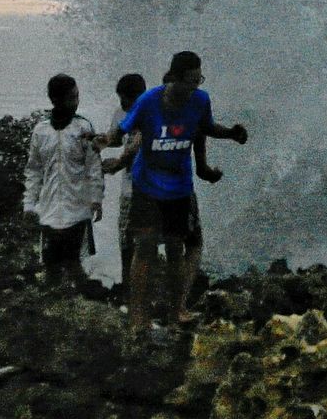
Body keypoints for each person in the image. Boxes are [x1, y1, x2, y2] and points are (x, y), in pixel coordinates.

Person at [92, 50, 247, 331]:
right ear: (173, 78)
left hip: (179, 187)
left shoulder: (200, 99)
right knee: (145, 248)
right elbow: (123, 131)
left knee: (176, 249)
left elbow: (206, 127)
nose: (194, 87)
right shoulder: (149, 101)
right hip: (148, 185)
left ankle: (178, 312)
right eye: (189, 81)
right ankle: (139, 318)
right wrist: (105, 141)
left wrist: (231, 134)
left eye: (198, 80)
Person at [22, 74, 104, 287]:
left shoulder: (83, 128)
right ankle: (52, 307)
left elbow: (94, 166)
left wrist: (96, 198)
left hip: (78, 207)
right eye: (71, 98)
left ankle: (80, 301)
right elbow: (33, 170)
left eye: (77, 96)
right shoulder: (41, 131)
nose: (76, 102)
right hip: (48, 209)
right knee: (50, 263)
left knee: (74, 262)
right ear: (55, 100)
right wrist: (29, 204)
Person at [102, 72, 147, 295]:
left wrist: (117, 164)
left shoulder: (151, 113)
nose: (122, 105)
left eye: (125, 100)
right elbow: (114, 138)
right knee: (126, 238)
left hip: (150, 188)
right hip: (128, 189)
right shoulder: (121, 113)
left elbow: (137, 146)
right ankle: (127, 286)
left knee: (146, 240)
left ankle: (141, 288)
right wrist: (94, 141)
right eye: (120, 99)